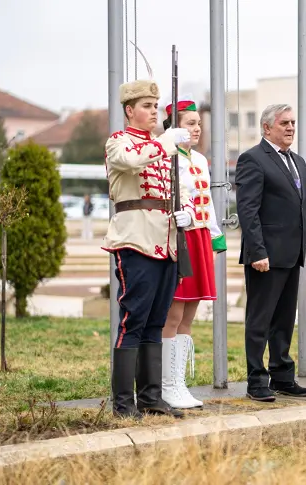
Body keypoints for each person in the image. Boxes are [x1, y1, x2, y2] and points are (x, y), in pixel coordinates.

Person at [102, 78, 193, 419]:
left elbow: (176, 191)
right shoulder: (119, 142)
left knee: (156, 321)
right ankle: (124, 403)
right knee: (133, 319)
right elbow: (129, 161)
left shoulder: (162, 147)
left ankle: (151, 398)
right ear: (129, 110)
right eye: (146, 106)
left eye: (156, 106)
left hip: (167, 242)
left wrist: (185, 212)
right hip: (135, 239)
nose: (154, 112)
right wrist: (166, 143)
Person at [235, 104, 306, 402]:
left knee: (284, 319)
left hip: (292, 254)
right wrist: (257, 251)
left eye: (293, 122)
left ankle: (283, 376)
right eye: (284, 123)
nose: (290, 127)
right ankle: (256, 380)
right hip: (265, 257)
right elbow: (247, 210)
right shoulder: (252, 159)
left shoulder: (297, 162)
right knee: (260, 320)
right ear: (266, 127)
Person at [162, 95, 227, 409]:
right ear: (175, 126)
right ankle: (166, 384)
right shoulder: (166, 156)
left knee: (190, 312)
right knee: (174, 312)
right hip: (180, 238)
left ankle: (179, 382)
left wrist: (216, 239)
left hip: (200, 237)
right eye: (190, 123)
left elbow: (208, 203)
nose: (197, 128)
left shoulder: (200, 160)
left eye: (199, 123)